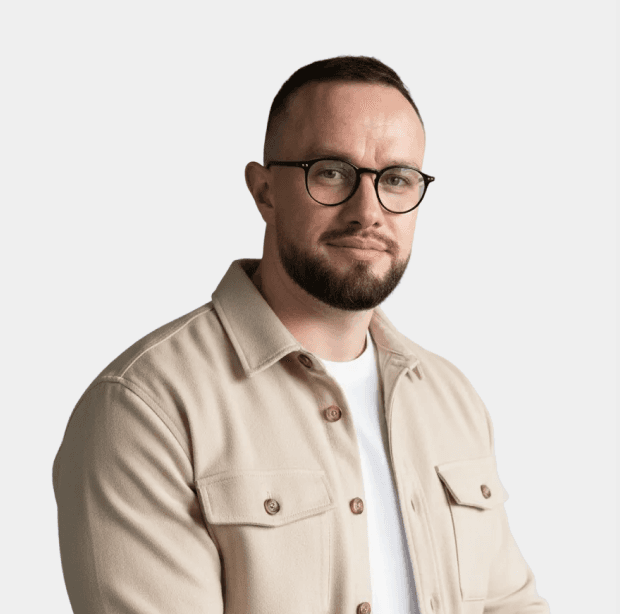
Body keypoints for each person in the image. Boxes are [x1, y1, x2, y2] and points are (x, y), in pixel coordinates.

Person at [53, 56, 549, 614]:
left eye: (396, 179)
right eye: (332, 172)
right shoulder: (147, 409)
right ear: (264, 191)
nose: (368, 211)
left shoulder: (451, 399)